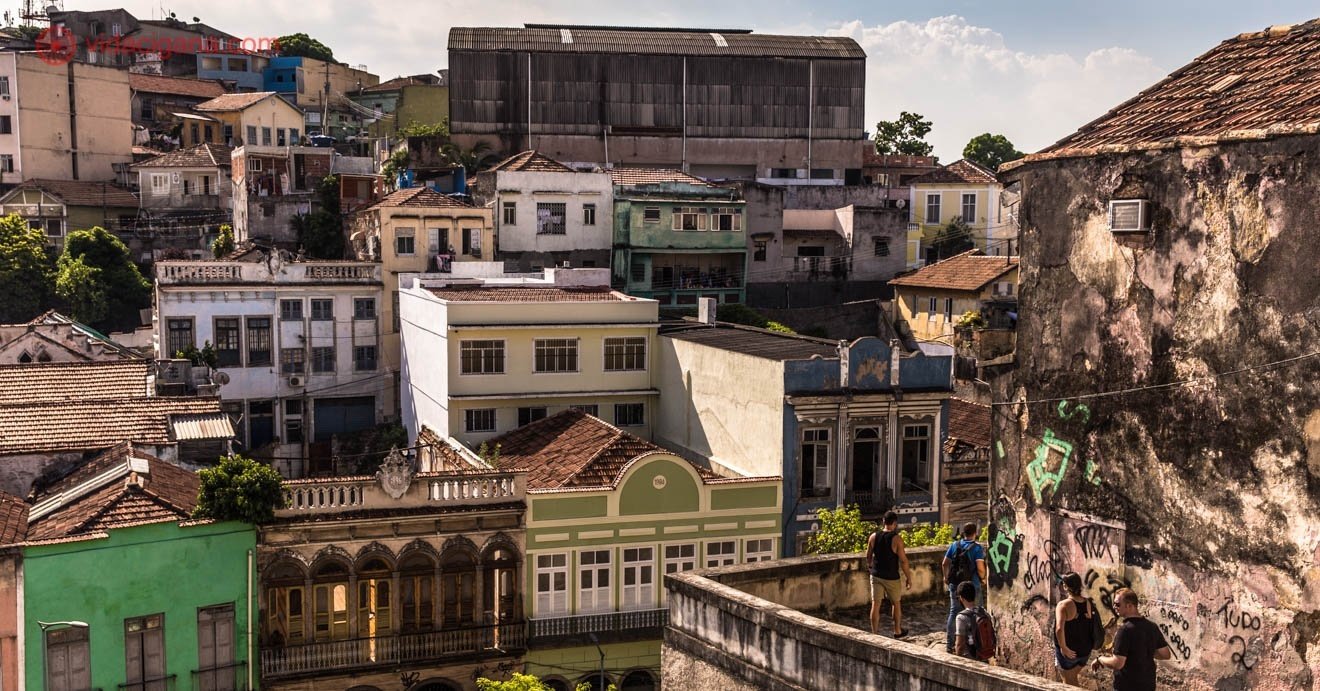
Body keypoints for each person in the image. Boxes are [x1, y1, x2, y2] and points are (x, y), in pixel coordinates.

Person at [1091, 588, 1171, 691]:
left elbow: (1117, 663)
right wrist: (1143, 651)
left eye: (1117, 604)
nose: (1114, 607)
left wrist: (1100, 659)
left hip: (1128, 685)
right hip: (1148, 684)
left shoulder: (1125, 630)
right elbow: (1165, 654)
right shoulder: (1152, 626)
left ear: (1129, 606)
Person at [865, 511, 912, 637]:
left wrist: (870, 568)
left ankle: (874, 633)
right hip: (892, 577)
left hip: (876, 575)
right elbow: (903, 561)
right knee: (896, 603)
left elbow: (868, 556)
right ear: (895, 523)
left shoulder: (873, 536)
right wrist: (908, 578)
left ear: (883, 521)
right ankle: (897, 631)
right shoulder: (897, 539)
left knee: (875, 604)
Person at [943, 522, 987, 653]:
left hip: (955, 584)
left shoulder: (954, 545)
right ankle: (978, 643)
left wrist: (946, 577)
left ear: (963, 533)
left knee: (953, 612)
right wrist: (983, 578)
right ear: (975, 532)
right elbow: (980, 568)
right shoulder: (977, 548)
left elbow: (944, 563)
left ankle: (950, 645)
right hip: (972, 585)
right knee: (978, 612)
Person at [1054, 571, 1098, 685]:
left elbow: (1059, 629)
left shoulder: (1063, 605)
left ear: (1065, 586)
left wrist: (1063, 648)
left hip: (1070, 652)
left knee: (1069, 681)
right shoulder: (1088, 603)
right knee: (1072, 679)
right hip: (1084, 652)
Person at [952, 580, 982, 659]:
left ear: (961, 598)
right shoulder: (983, 612)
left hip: (969, 657)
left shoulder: (961, 617)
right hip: (984, 655)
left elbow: (960, 645)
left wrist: (957, 659)